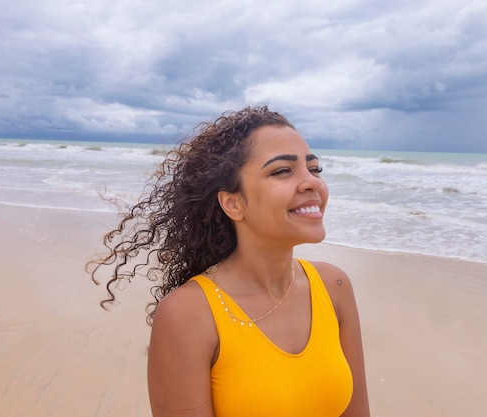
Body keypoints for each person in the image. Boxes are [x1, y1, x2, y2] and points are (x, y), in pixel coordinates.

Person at [88, 106, 370, 416]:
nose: (312, 183)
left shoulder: (334, 287)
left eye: (314, 169)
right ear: (233, 203)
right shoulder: (189, 314)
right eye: (282, 171)